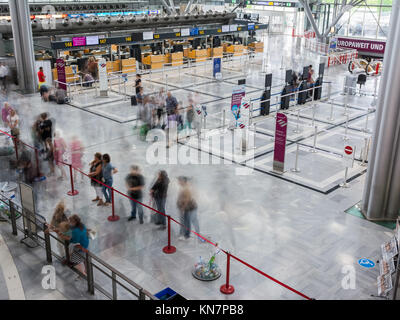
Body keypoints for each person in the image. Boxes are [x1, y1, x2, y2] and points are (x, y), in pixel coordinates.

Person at [177, 176, 201, 241]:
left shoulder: (186, 188)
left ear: (183, 181)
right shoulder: (183, 188)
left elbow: (187, 199)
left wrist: (183, 207)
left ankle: (189, 235)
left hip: (190, 208)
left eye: (180, 181)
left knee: (190, 221)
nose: (178, 182)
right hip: (188, 208)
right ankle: (187, 234)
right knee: (187, 221)